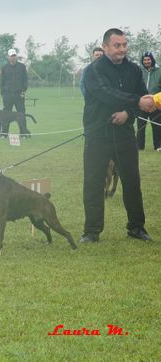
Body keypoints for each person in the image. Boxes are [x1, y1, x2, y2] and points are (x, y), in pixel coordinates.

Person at [80, 28, 155, 243]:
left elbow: (142, 97)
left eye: (124, 45)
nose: (122, 49)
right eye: (117, 45)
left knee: (132, 181)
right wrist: (136, 102)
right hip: (97, 134)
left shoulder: (133, 70)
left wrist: (128, 113)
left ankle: (136, 227)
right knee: (93, 183)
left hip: (124, 135)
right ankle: (92, 231)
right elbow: (105, 93)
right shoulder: (93, 70)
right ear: (105, 47)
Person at [0, 48, 28, 137]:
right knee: (5, 115)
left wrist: (24, 91)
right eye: (11, 56)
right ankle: (4, 134)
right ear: (8, 57)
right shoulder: (5, 67)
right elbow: (2, 81)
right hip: (7, 95)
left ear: (16, 56)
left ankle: (23, 133)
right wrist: (3, 93)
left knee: (21, 115)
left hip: (19, 95)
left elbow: (25, 80)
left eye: (14, 56)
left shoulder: (22, 67)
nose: (13, 57)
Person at [136, 51, 161, 150]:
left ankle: (158, 145)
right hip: (142, 103)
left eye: (148, 59)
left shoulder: (159, 71)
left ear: (152, 60)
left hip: (155, 103)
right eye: (144, 60)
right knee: (140, 126)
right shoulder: (139, 71)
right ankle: (139, 146)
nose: (146, 61)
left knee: (157, 126)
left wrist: (155, 98)